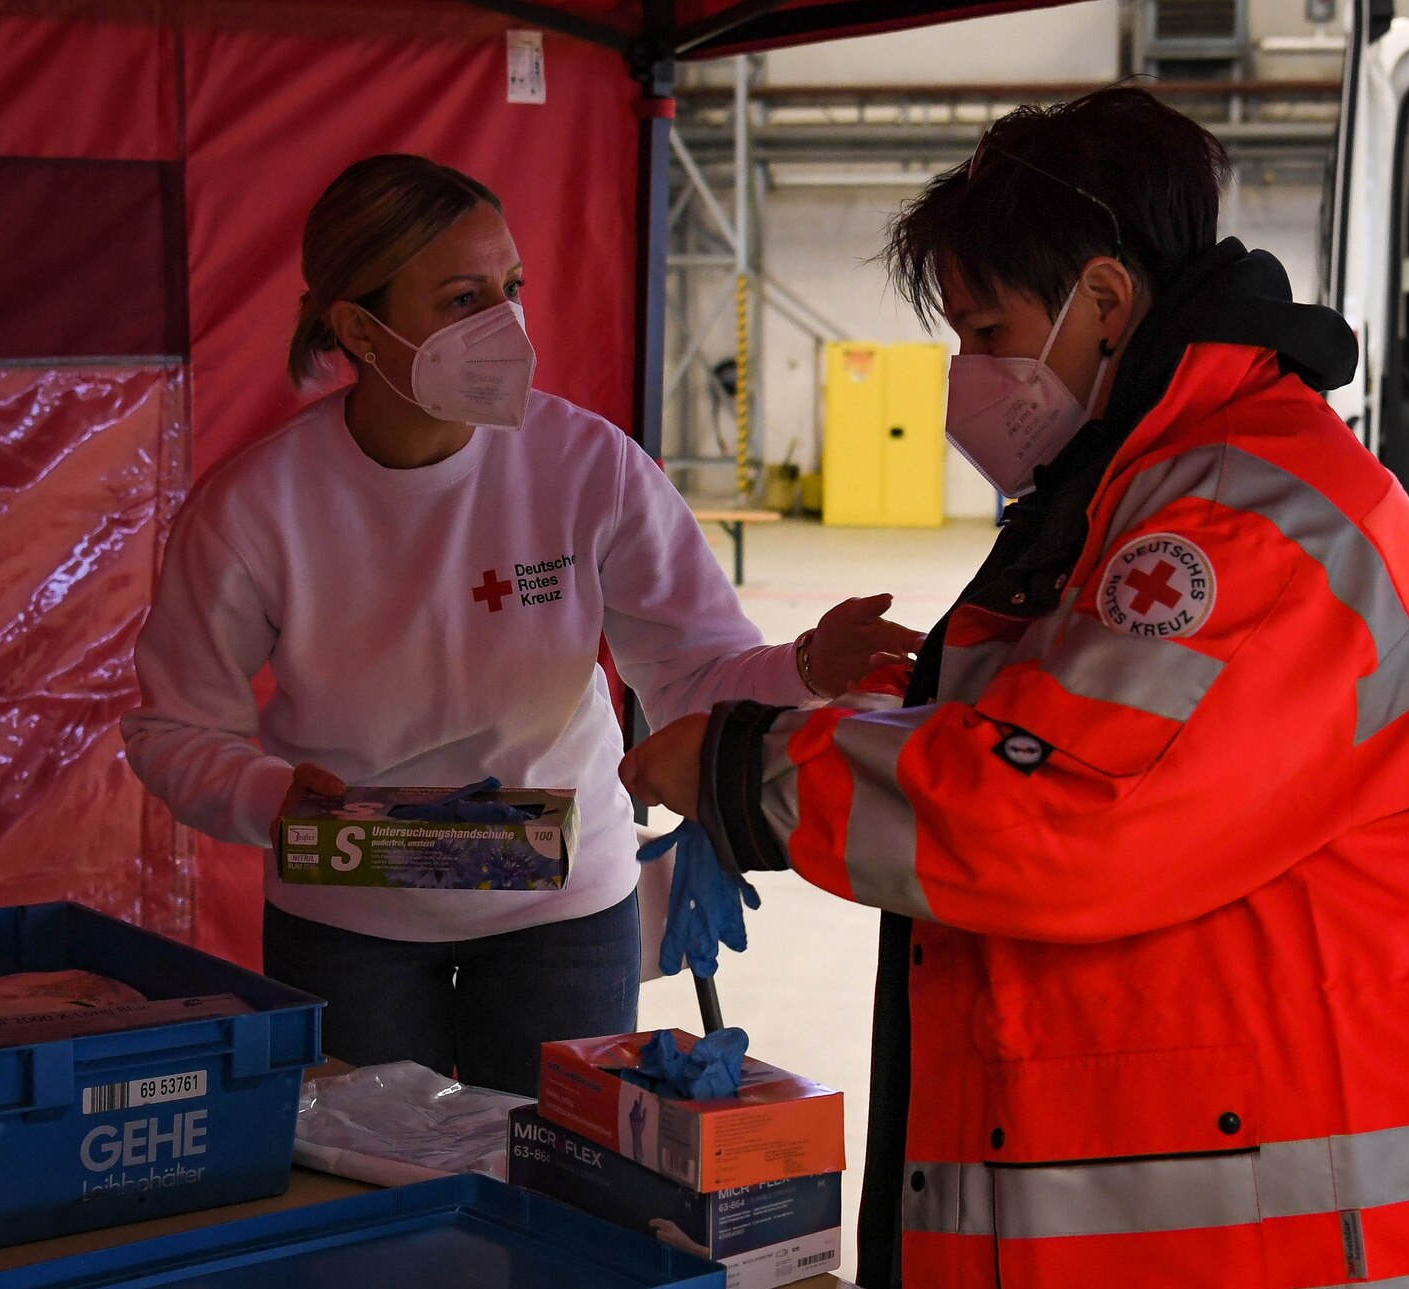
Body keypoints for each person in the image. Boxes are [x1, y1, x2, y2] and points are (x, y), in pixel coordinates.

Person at [622, 89, 1409, 1287]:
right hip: (1198, 1185)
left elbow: (1061, 813)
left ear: (1102, 301)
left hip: (1297, 1222)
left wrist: (749, 768)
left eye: (986, 328)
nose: (968, 374)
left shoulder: (1245, 516)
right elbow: (1056, 740)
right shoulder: (1134, 489)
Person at [122, 155, 920, 1096]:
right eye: (462, 300)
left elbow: (692, 673)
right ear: (357, 329)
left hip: (563, 912)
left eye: (511, 289)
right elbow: (174, 728)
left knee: (562, 1186)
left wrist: (807, 666)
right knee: (372, 1206)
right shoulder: (257, 506)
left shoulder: (587, 466)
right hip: (347, 918)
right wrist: (266, 796)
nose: (503, 326)